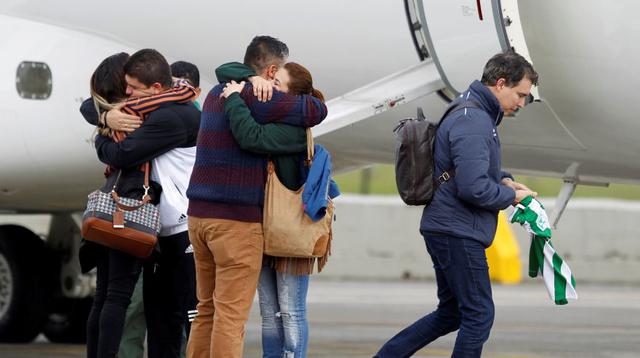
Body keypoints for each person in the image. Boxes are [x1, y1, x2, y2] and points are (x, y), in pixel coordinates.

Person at [375, 51, 539, 358]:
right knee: (479, 314)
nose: (521, 103)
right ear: (501, 83)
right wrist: (512, 197)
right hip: (458, 231)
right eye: (520, 95)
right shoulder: (475, 119)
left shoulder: (470, 111)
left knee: (452, 312)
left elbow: (464, 169)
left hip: (447, 227)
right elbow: (473, 188)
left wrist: (503, 180)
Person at [185, 35, 327, 358]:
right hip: (236, 222)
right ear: (271, 70)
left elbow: (224, 69)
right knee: (230, 316)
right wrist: (254, 84)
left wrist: (243, 79)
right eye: (277, 77)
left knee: (205, 308)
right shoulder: (259, 97)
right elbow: (315, 109)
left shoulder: (213, 94)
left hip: (198, 217)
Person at [81, 49, 200, 358]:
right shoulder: (154, 106)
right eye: (127, 87)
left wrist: (102, 132)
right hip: (153, 224)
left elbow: (121, 155)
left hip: (179, 228)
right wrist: (105, 114)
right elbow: (89, 105)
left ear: (155, 87)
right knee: (154, 315)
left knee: (188, 315)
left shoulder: (170, 116)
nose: (130, 94)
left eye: (133, 87)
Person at [217, 61, 331, 357]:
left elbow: (251, 137)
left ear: (292, 96)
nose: (269, 87)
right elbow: (224, 69)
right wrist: (255, 78)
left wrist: (235, 99)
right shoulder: (272, 110)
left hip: (291, 230)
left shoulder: (292, 130)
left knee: (290, 310)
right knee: (269, 312)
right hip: (263, 228)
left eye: (277, 83)